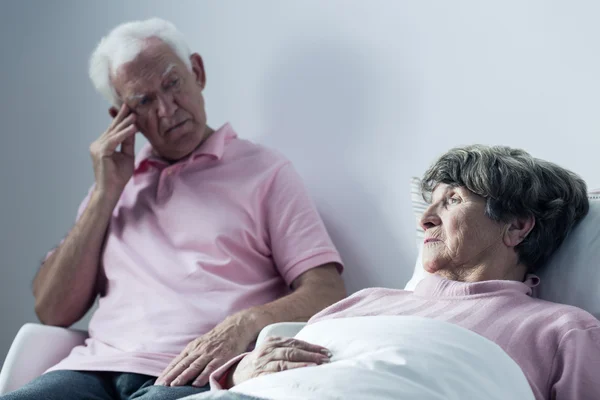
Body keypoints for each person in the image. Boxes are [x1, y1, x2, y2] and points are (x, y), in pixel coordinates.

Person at [2, 18, 346, 400]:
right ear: (121, 117)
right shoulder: (111, 188)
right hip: (90, 371)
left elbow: (326, 289)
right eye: (144, 101)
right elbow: (52, 312)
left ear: (196, 71)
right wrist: (105, 193)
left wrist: (245, 324)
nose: (167, 110)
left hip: (196, 375)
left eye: (172, 83)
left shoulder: (266, 171)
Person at [203, 145, 600, 400]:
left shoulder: (562, 330)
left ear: (517, 226)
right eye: (431, 203)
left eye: (453, 200)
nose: (425, 218)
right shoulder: (367, 300)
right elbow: (269, 372)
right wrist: (240, 371)